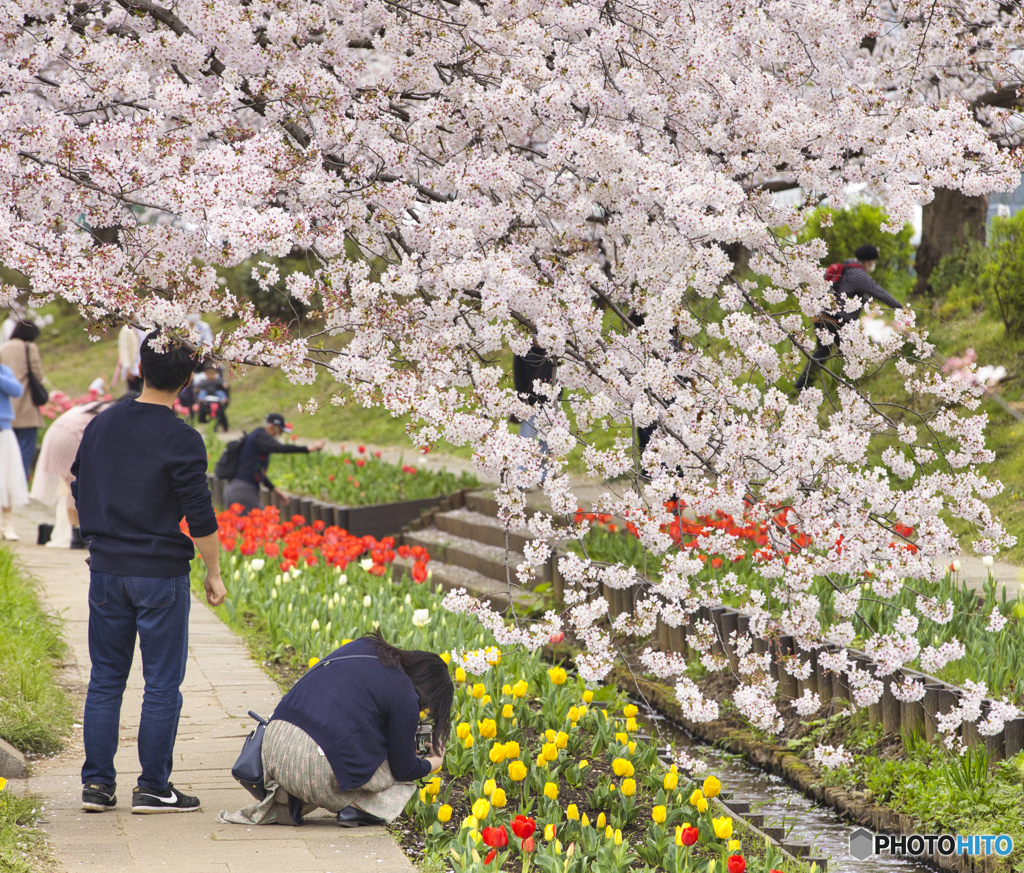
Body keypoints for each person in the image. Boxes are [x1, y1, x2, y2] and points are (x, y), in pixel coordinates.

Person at [72, 330, 226, 815]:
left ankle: (97, 786)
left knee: (106, 679)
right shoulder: (181, 437)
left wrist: (97, 537)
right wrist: (214, 572)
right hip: (159, 573)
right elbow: (199, 515)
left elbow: (79, 484)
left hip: (107, 568)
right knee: (161, 683)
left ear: (139, 368)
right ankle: (153, 787)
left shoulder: (101, 424)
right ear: (185, 380)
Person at [219, 631, 451, 827]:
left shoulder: (365, 646)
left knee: (340, 754)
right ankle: (356, 809)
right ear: (428, 690)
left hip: (272, 743)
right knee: (405, 773)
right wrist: (434, 762)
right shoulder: (405, 695)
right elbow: (404, 768)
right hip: (312, 761)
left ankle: (290, 796)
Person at [31, 393, 135, 549]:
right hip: (71, 437)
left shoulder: (100, 406)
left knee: (72, 483)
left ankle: (76, 534)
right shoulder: (118, 414)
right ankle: (78, 536)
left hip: (56, 433)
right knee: (80, 483)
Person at [794, 244, 904, 392]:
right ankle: (849, 384)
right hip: (837, 320)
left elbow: (852, 294)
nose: (874, 265)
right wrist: (900, 308)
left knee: (824, 352)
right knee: (852, 350)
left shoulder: (846, 269)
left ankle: (804, 384)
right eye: (874, 261)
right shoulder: (858, 274)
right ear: (868, 261)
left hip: (823, 317)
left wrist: (869, 304)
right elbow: (877, 291)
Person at [222, 413, 325, 513]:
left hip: (235, 488)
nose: (278, 435)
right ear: (272, 427)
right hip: (243, 490)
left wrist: (275, 490)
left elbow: (257, 471)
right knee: (259, 524)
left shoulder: (256, 437)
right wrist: (308, 448)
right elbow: (280, 448)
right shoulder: (261, 437)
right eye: (279, 431)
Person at [0, 320, 46, 478]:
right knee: (25, 448)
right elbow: (38, 374)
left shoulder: (3, 347)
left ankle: (7, 484)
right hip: (26, 405)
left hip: (6, 406)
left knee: (8, 450)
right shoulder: (29, 347)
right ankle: (21, 483)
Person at [512, 343, 558, 482]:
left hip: (549, 405)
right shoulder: (523, 350)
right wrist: (522, 401)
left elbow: (559, 376)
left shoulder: (554, 350)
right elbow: (518, 376)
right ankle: (521, 475)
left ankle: (544, 476)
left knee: (547, 442)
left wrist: (556, 399)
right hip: (530, 404)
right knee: (526, 440)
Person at [0, 361, 28, 540]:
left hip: (3, 430)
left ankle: (7, 524)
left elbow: (17, 391)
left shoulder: (4, 370)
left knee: (7, 477)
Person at [113, 324, 145, 391]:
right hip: (134, 367)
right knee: (134, 393)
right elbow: (124, 350)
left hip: (146, 366)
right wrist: (126, 367)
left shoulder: (147, 326)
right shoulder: (126, 330)